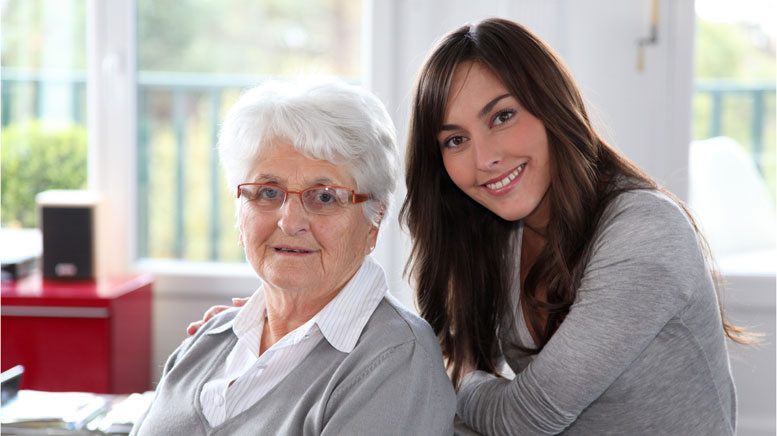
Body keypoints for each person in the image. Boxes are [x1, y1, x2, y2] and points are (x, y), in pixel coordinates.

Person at [400, 18, 746, 435]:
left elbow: (529, 417)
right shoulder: (500, 228)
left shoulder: (644, 233)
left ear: (550, 105)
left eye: (502, 116)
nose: (484, 159)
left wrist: (460, 377)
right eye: (455, 140)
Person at [132, 78, 455, 435]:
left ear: (373, 222)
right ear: (239, 214)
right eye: (268, 192)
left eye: (325, 197)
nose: (290, 221)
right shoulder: (207, 339)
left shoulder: (395, 362)